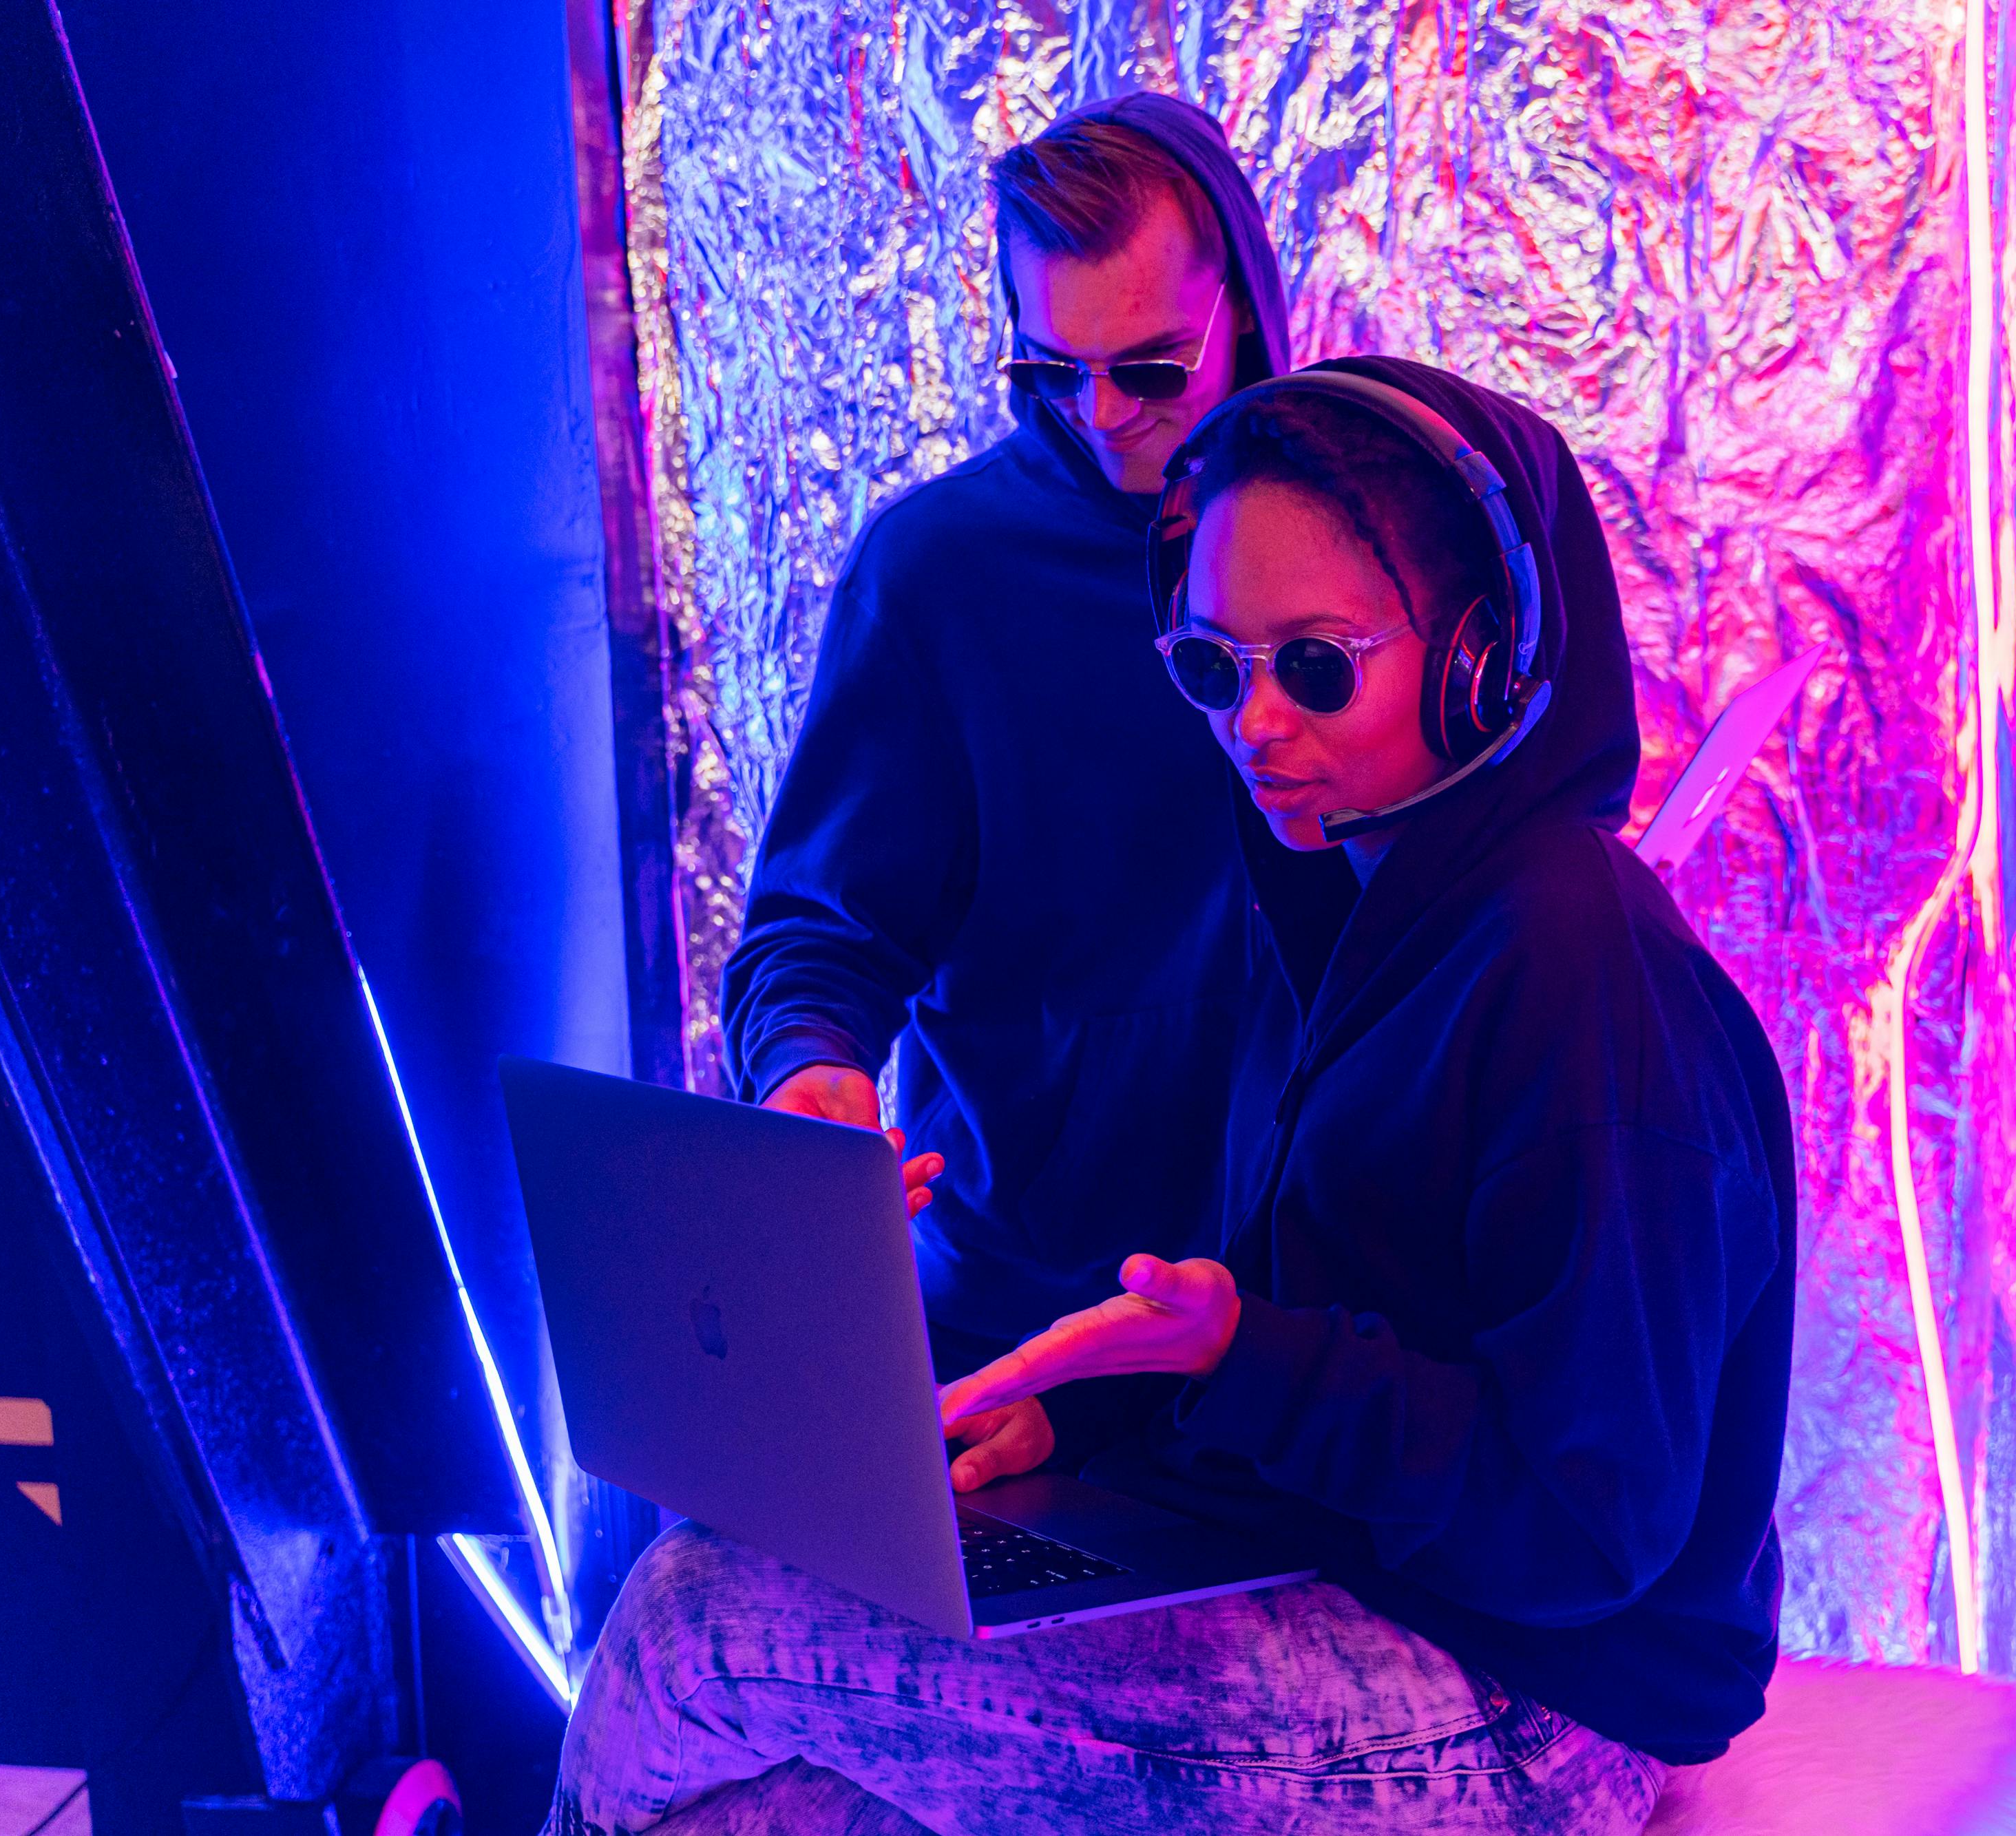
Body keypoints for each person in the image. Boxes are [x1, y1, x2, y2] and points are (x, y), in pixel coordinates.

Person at [549, 359, 1798, 1836]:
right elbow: (1364, 1332)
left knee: (698, 1614)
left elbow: (1588, 1526)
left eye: (1315, 664)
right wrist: (1092, 1428)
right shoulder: (1359, 909)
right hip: (1355, 1586)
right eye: (1214, 667)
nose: (1253, 723)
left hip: (1539, 1704)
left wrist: (1239, 1356)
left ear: (1480, 661)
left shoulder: (1576, 973)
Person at [718, 94, 1325, 1391]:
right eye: (1054, 372)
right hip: (1018, 1322)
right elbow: (818, 927)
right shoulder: (940, 574)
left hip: (1302, 1323)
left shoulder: (1352, 530)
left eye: (1153, 368)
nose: (1102, 414)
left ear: (1244, 309)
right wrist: (808, 1077)